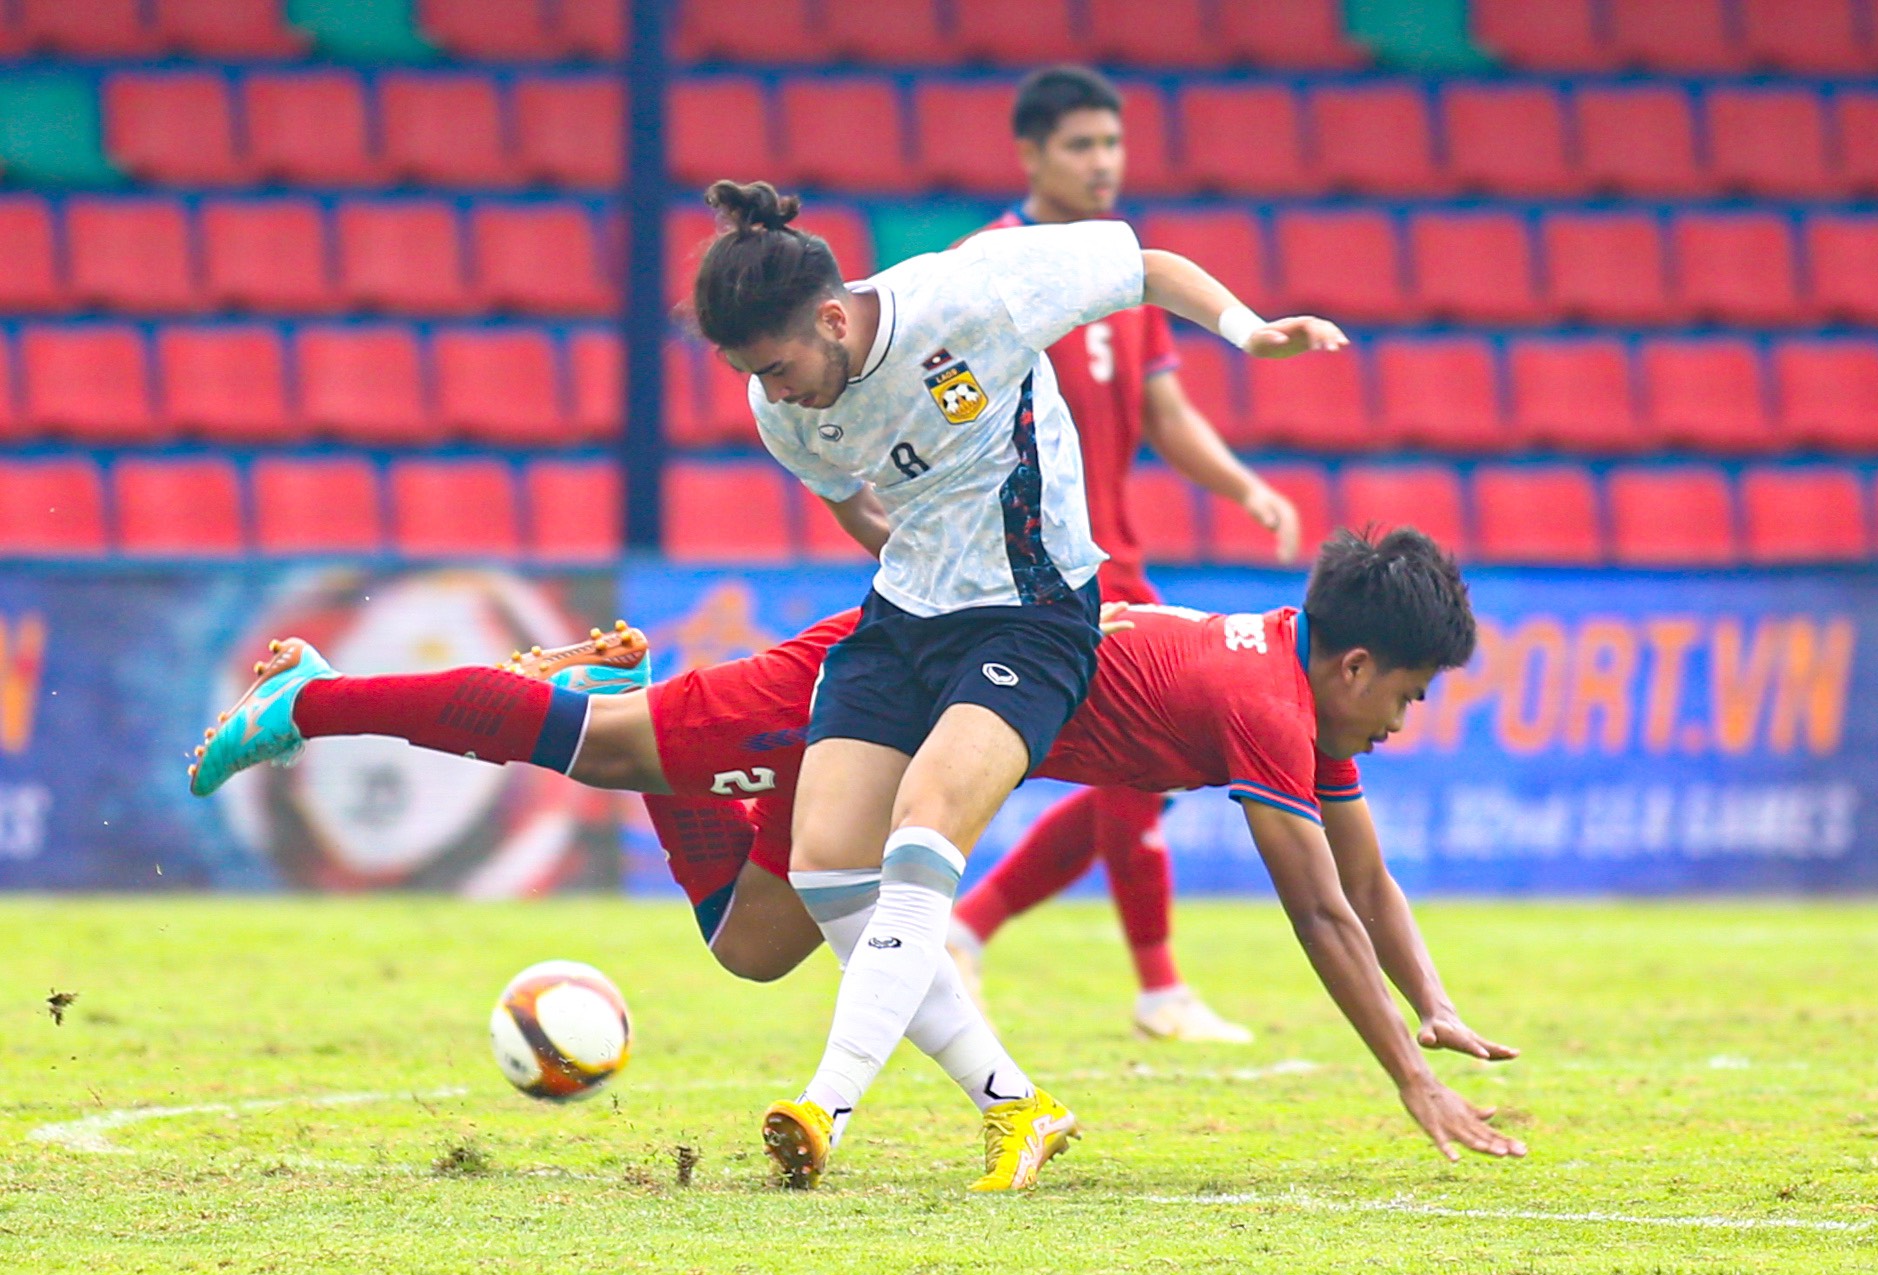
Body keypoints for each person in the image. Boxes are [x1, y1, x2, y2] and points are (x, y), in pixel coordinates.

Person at [188, 528, 1524, 1169]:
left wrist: (1441, 1007)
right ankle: (308, 698)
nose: (1402, 725)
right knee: (608, 752)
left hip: (941, 712)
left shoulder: (1296, 693)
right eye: (1407, 695)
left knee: (755, 945)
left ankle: (632, 708)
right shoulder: (1260, 701)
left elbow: (1368, 881)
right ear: (1356, 661)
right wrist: (1405, 1076)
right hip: (881, 682)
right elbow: (1321, 920)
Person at [684, 175, 1345, 1189]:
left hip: (1031, 618)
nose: (771, 392)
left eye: (776, 367)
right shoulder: (781, 410)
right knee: (824, 867)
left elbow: (1146, 268)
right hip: (902, 619)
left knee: (921, 830)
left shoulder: (969, 293)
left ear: (829, 316)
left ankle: (825, 1106)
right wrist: (905, 545)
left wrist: (1248, 332)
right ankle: (1016, 1107)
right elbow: (856, 506)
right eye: (749, 373)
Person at [950, 66, 1310, 1043]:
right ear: (1028, 155)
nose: (1101, 163)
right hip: (1043, 564)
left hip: (1116, 557)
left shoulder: (1122, 267)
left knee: (1142, 770)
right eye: (1079, 146)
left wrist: (1242, 485)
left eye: (1110, 143)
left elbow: (1163, 409)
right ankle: (1153, 986)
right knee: (1136, 768)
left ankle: (970, 931)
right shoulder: (985, 266)